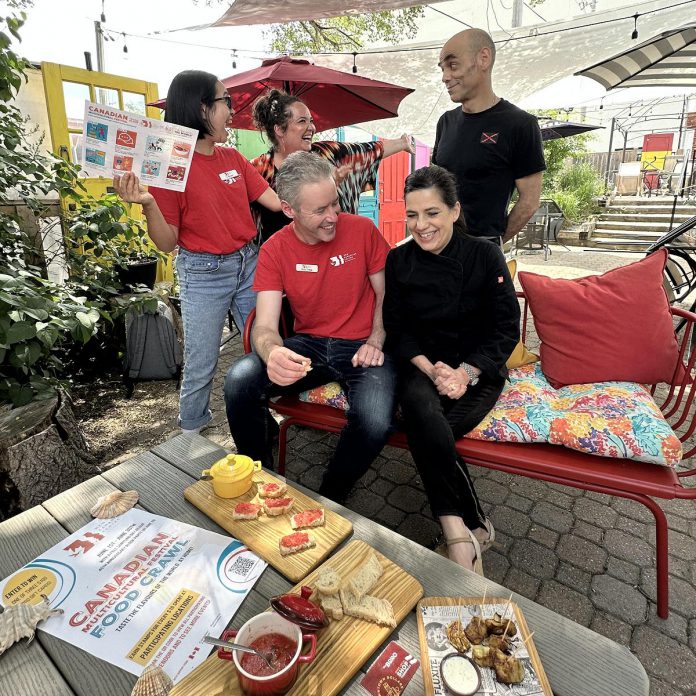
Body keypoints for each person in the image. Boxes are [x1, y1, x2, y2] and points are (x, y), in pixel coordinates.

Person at [114, 70, 281, 433]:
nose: (231, 111)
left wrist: (315, 203)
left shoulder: (233, 158)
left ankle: (260, 419)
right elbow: (166, 242)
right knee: (202, 361)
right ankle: (189, 438)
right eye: (226, 101)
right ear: (202, 108)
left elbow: (275, 202)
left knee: (265, 345)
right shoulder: (171, 169)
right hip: (203, 273)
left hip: (248, 264)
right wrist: (147, 203)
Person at [224, 151, 395, 502]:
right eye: (320, 210)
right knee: (239, 380)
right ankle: (262, 481)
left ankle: (330, 498)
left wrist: (377, 338)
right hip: (310, 346)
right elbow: (266, 326)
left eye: (334, 203)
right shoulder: (274, 250)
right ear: (289, 210)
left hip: (363, 346)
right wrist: (272, 353)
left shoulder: (363, 230)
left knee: (375, 421)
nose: (333, 216)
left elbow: (387, 293)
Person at [383, 165, 520, 574]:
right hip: (419, 367)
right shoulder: (399, 260)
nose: (421, 226)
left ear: (455, 211)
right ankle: (465, 531)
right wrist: (431, 369)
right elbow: (397, 329)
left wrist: (465, 373)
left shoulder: (484, 254)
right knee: (424, 413)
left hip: (477, 370)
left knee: (429, 429)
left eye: (432, 213)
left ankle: (468, 533)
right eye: (412, 215)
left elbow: (505, 328)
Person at [250, 89, 415, 242]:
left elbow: (366, 152)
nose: (312, 128)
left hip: (330, 258)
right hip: (283, 263)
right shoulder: (258, 170)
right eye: (302, 121)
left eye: (311, 121)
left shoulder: (327, 154)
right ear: (279, 129)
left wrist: (402, 143)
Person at [433, 28, 545, 244]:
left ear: (484, 58)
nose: (445, 77)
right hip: (440, 250)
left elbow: (530, 202)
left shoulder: (520, 124)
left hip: (484, 249)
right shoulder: (445, 122)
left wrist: (494, 243)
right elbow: (437, 187)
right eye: (443, 69)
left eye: (452, 65)